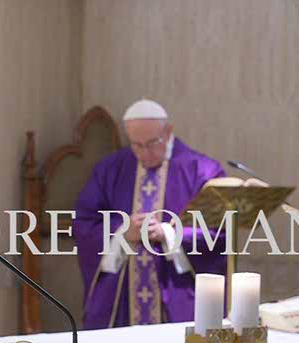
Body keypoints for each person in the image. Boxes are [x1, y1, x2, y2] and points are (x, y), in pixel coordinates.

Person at [73, 99, 226, 329]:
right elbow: (85, 223)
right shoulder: (110, 169)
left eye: (153, 143)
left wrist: (167, 233)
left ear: (168, 131)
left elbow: (219, 231)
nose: (145, 153)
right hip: (123, 302)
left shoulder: (201, 170)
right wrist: (122, 232)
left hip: (177, 294)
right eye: (137, 145)